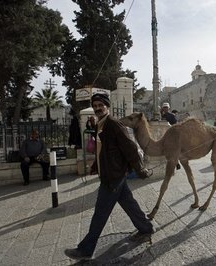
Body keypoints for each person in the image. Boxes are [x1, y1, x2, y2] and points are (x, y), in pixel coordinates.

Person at [64, 93, 154, 260]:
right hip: (111, 173)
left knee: (100, 213)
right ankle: (146, 227)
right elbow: (103, 150)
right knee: (129, 203)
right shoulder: (101, 124)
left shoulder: (113, 124)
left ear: (107, 106)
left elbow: (130, 148)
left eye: (101, 105)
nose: (98, 108)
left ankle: (85, 249)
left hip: (113, 176)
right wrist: (96, 166)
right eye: (95, 105)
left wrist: (140, 170)